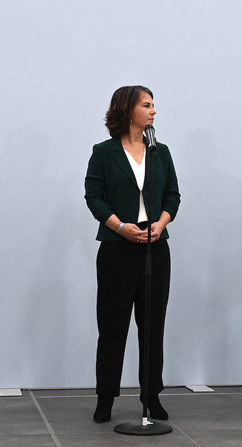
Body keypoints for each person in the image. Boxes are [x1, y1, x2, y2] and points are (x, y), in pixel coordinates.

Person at [84, 85, 180, 423]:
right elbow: (93, 196)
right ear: (127, 110)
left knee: (153, 327)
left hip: (156, 247)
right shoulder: (103, 152)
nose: (154, 111)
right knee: (112, 327)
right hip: (117, 248)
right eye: (147, 105)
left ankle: (151, 396)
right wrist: (119, 226)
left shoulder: (160, 151)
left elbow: (173, 196)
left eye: (154, 105)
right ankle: (105, 397)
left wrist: (162, 222)